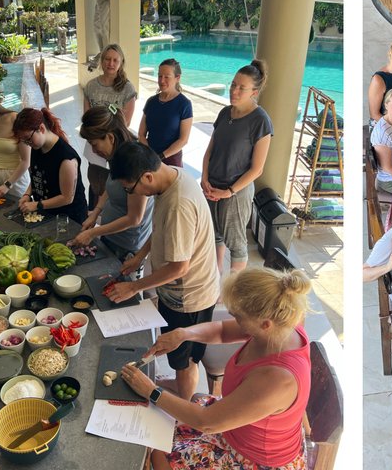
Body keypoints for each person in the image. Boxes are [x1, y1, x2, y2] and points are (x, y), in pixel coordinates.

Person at [121, 267, 311, 469]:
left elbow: (206, 422)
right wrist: (183, 334)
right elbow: (222, 331)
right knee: (160, 429)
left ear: (265, 324)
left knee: (159, 452)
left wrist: (152, 391)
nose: (233, 318)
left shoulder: (278, 380)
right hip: (235, 427)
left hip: (253, 457)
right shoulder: (279, 325)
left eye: (238, 316)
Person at [107, 142, 219, 402]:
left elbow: (180, 267)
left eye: (130, 188)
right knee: (177, 352)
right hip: (179, 291)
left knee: (185, 360)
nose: (131, 193)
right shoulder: (169, 178)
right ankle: (180, 386)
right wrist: (140, 256)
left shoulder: (178, 204)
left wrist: (135, 286)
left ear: (147, 176)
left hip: (190, 297)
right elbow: (160, 229)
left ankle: (182, 411)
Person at [202, 60, 272, 274]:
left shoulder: (260, 121)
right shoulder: (225, 113)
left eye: (242, 87)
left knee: (236, 242)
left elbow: (257, 169)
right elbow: (210, 150)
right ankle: (215, 278)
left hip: (236, 192)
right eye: (233, 84)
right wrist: (205, 178)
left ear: (254, 92)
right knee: (214, 235)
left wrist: (229, 191)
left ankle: (235, 291)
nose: (234, 90)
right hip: (212, 186)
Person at [71, 106, 154, 264]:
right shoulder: (117, 155)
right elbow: (111, 186)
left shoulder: (135, 163)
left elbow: (134, 218)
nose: (94, 151)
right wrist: (96, 212)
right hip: (111, 235)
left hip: (127, 245)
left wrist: (93, 233)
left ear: (110, 137)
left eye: (94, 144)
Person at [82, 43, 138, 209]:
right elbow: (87, 117)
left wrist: (107, 138)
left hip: (117, 148)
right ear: (102, 61)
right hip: (96, 147)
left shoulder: (127, 88)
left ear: (121, 63)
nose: (110, 63)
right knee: (96, 185)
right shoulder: (91, 86)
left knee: (115, 186)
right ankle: (93, 214)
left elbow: (125, 123)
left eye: (115, 60)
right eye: (107, 59)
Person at [12, 108, 88, 224]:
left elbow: (67, 198)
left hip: (69, 218)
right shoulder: (37, 146)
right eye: (24, 141)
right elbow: (37, 177)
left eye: (28, 139)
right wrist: (27, 194)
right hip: (46, 213)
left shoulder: (66, 158)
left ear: (41, 129)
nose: (28, 144)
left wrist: (37, 205)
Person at [138, 58, 193, 168]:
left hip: (171, 161)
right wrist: (150, 154)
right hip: (149, 158)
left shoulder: (184, 104)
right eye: (159, 76)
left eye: (166, 77)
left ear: (177, 78)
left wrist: (161, 157)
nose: (162, 80)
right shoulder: (151, 101)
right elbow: (141, 134)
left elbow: (183, 140)